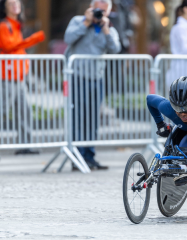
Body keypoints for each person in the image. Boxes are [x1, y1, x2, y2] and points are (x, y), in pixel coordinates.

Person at [64, 0, 121, 170]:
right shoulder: (77, 21)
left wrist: (106, 31)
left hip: (97, 78)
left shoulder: (109, 28)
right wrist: (86, 22)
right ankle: (77, 157)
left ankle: (90, 156)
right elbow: (68, 38)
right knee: (79, 118)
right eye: (98, 10)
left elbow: (116, 48)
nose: (100, 14)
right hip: (77, 76)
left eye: (104, 11)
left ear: (109, 12)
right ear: (90, 8)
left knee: (93, 118)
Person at [0, 0, 45, 154]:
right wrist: (33, 39)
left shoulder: (16, 25)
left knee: (24, 110)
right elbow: (9, 47)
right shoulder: (4, 25)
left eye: (17, 3)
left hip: (19, 77)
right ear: (5, 7)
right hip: (6, 76)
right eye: (11, 3)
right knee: (1, 110)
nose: (15, 6)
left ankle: (25, 145)